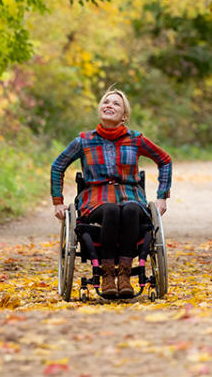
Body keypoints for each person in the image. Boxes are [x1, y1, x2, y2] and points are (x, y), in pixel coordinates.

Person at [51, 89, 171, 298]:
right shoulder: (84, 140)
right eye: (105, 102)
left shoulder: (136, 139)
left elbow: (165, 160)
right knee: (111, 210)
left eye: (116, 104)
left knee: (132, 209)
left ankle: (124, 275)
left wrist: (162, 195)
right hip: (96, 199)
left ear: (124, 115)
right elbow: (57, 166)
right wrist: (57, 201)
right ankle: (106, 274)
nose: (109, 105)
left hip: (131, 195)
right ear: (100, 109)